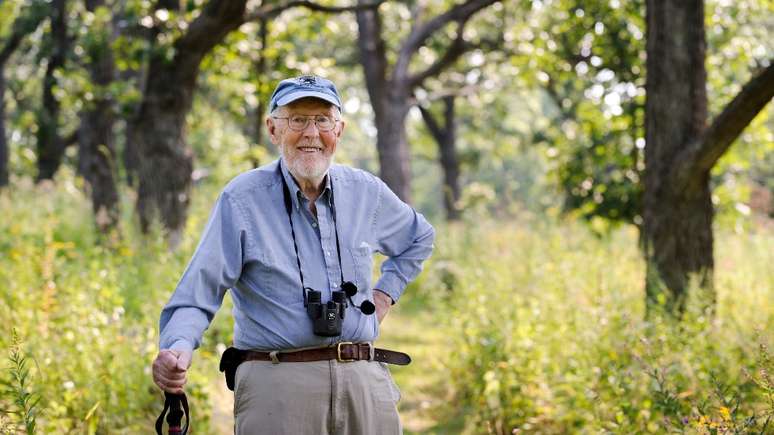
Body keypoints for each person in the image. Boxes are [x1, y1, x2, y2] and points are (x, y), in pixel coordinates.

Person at [151, 75, 435, 434]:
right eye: (297, 119)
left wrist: (384, 294)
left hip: (364, 383)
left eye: (323, 120)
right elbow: (197, 293)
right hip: (277, 388)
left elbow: (419, 238)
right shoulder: (242, 199)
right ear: (273, 129)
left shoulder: (365, 191)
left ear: (339, 130)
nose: (311, 133)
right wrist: (177, 347)